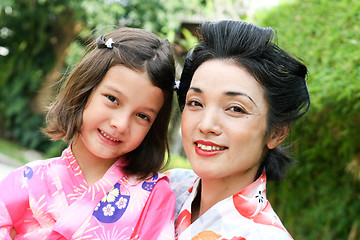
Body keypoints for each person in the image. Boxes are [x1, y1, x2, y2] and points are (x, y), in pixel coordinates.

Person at [0, 27, 176, 239]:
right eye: (112, 99)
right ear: (84, 91)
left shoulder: (154, 196)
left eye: (142, 116)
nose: (121, 124)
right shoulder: (24, 181)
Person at [167, 20, 310, 240]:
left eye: (235, 108)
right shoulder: (167, 188)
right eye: (195, 102)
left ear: (277, 132)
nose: (206, 125)